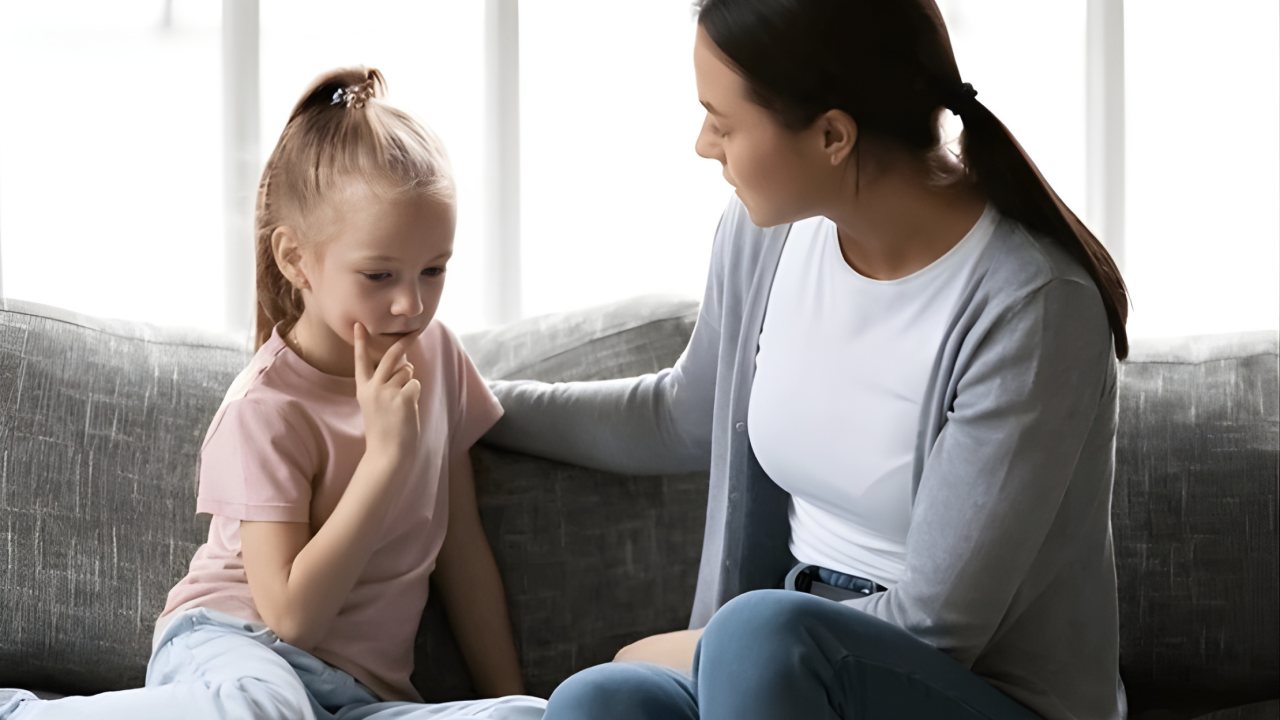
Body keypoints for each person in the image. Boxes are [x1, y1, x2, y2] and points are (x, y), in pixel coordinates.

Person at [483, 1, 1129, 719]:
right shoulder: (765, 236)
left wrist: (702, 647)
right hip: (776, 669)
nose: (703, 144)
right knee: (601, 701)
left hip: (974, 692)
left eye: (723, 122)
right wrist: (473, 402)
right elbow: (682, 415)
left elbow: (938, 627)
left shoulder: (1033, 306)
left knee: (758, 637)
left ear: (831, 136)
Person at [0, 68, 545, 720]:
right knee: (268, 708)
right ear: (295, 259)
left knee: (528, 716)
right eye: (379, 275)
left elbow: (462, 553)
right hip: (240, 649)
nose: (412, 303)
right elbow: (291, 618)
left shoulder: (438, 359)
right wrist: (385, 460)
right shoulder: (264, 410)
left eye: (434, 270)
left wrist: (509, 695)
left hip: (358, 698)